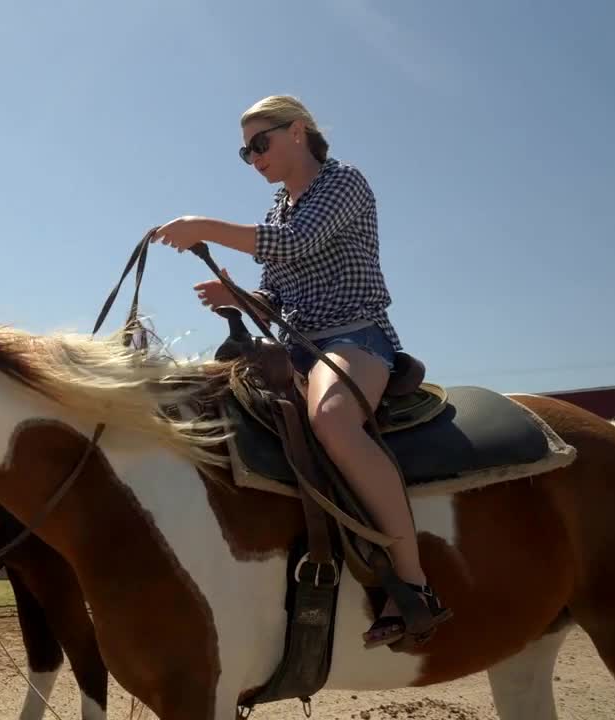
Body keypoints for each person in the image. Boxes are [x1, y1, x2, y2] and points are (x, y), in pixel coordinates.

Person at [147, 94, 451, 650]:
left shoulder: (343, 182)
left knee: (332, 419)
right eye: (245, 152)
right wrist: (237, 295)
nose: (253, 157)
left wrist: (203, 226)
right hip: (297, 347)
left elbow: (298, 244)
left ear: (298, 132)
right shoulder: (274, 212)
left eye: (260, 143)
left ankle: (413, 580)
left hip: (355, 335)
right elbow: (278, 294)